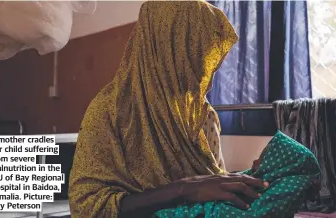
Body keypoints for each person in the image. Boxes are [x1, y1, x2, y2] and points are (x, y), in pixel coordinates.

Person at [68, 1, 320, 218]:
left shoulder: (202, 115)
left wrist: (243, 181)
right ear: (163, 48)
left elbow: (210, 187)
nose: (204, 67)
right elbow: (87, 207)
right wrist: (183, 190)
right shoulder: (109, 112)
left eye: (207, 54)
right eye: (194, 51)